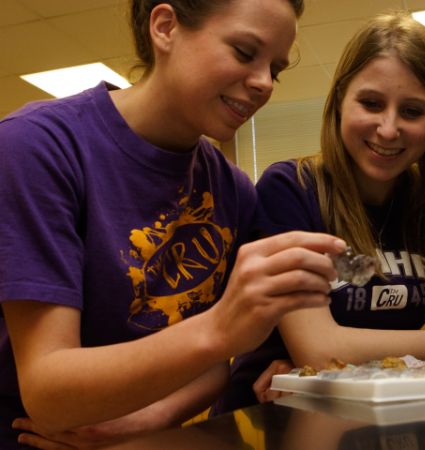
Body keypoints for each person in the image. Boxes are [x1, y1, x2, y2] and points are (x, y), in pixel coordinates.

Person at [0, 0, 348, 448]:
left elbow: (210, 368)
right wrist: (223, 326)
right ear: (165, 27)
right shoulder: (37, 147)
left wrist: (143, 422)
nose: (263, 83)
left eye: (275, 69)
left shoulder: (232, 189)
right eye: (244, 52)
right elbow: (48, 392)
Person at [222, 10, 425, 410]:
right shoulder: (291, 188)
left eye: (412, 111)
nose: (388, 129)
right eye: (371, 103)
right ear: (340, 100)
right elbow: (322, 350)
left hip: (383, 413)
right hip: (275, 417)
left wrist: (343, 364)